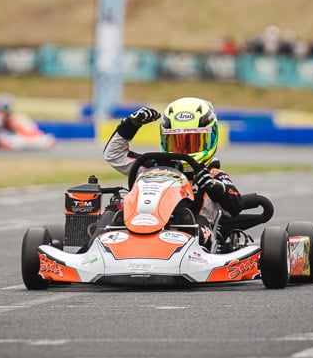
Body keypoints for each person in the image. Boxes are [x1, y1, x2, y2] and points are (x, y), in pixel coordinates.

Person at [103, 97, 262, 250]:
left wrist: (213, 187)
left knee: (193, 222)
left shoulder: (213, 175)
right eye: (177, 143)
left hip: (192, 231)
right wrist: (130, 125)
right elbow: (114, 155)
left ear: (210, 138)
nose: (185, 151)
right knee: (111, 215)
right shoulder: (153, 167)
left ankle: (180, 248)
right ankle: (103, 248)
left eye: (193, 142)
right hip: (146, 221)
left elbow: (236, 205)